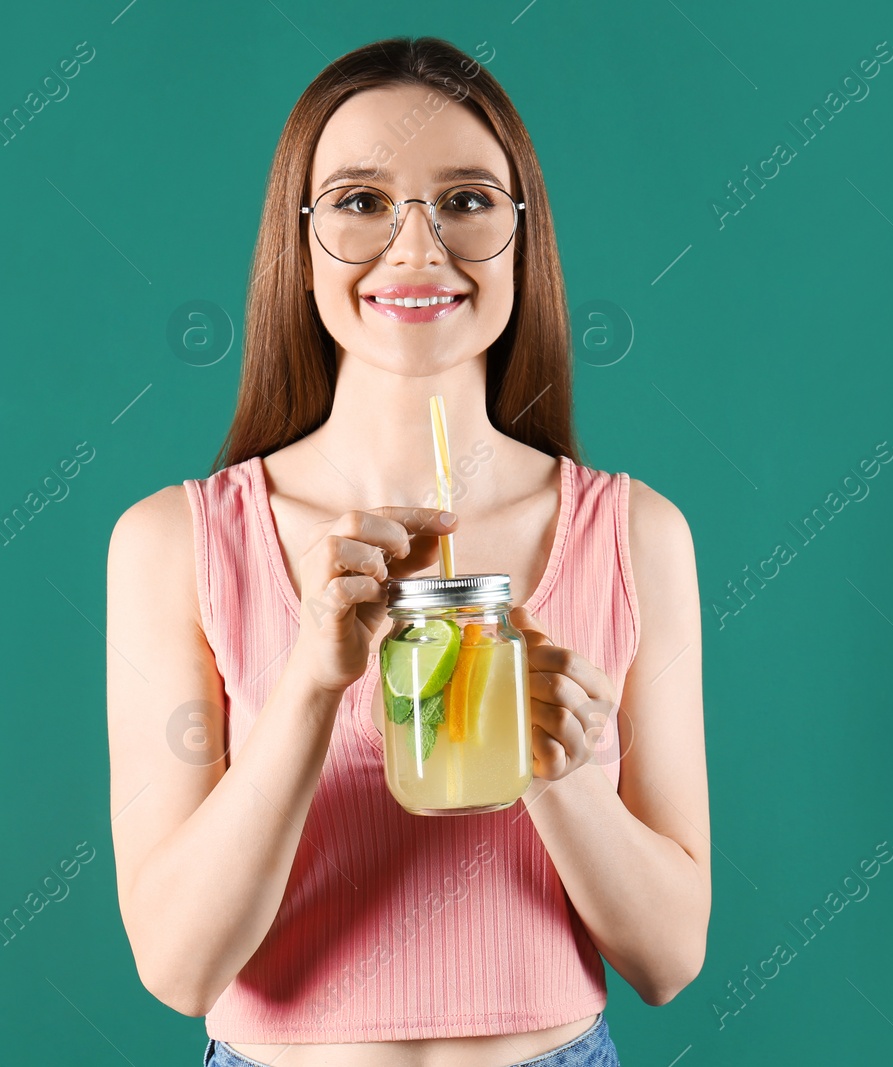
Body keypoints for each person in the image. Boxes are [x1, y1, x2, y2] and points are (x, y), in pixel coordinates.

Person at [104, 36, 709, 1067]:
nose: (418, 249)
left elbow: (666, 958)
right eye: (361, 200)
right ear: (299, 242)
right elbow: (178, 966)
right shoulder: (177, 540)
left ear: (524, 234)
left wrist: (555, 771)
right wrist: (307, 682)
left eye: (467, 200)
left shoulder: (634, 530)